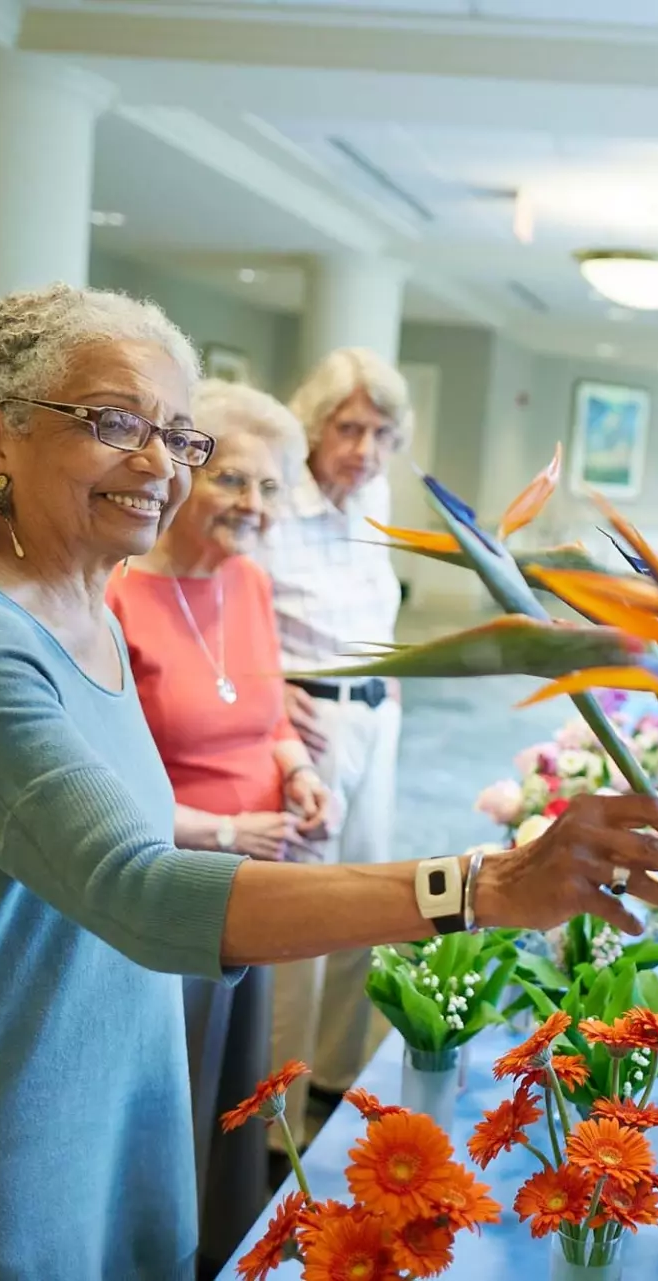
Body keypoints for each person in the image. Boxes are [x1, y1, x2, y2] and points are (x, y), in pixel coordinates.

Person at [0, 284, 658, 1280]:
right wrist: (481, 886)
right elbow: (135, 885)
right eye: (113, 422)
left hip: (99, 1105)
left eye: (178, 436)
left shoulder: (89, 609)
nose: (157, 464)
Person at [103, 378, 328, 1272]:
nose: (254, 506)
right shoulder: (118, 596)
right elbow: (104, 781)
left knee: (239, 1085)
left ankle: (225, 1251)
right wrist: (226, 833)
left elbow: (266, 715)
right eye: (236, 479)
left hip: (255, 877)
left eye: (272, 488)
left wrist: (298, 769)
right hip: (165, 881)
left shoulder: (251, 585)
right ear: (188, 470)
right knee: (169, 1096)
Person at [257, 346, 412, 1131]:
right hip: (311, 721)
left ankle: (337, 1075)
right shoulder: (275, 503)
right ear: (315, 427)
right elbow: (233, 609)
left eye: (383, 434)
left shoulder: (374, 496)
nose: (366, 450)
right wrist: (270, 687)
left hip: (377, 716)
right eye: (350, 429)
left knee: (367, 904)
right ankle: (275, 1106)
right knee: (305, 914)